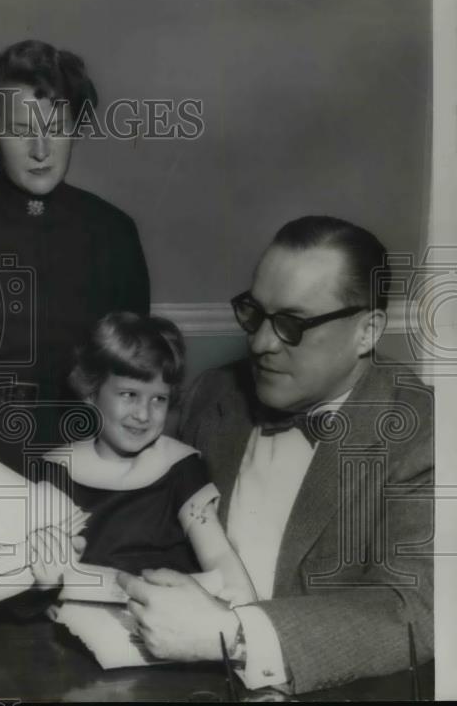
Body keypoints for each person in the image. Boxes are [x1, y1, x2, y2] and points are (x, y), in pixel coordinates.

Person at [117, 216, 434, 694]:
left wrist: (236, 636)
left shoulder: (423, 430)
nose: (261, 343)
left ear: (367, 332)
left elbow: (416, 608)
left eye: (292, 324)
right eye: (254, 313)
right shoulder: (213, 394)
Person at [0, 40, 150, 467]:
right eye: (20, 129)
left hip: (84, 460)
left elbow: (134, 371)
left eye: (56, 126)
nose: (41, 149)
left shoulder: (114, 231)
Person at [41, 312, 255, 604]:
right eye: (129, 394)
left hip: (172, 618)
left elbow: (218, 555)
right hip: (77, 620)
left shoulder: (181, 467)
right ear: (91, 393)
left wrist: (245, 615)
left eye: (159, 399)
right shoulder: (56, 471)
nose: (143, 414)